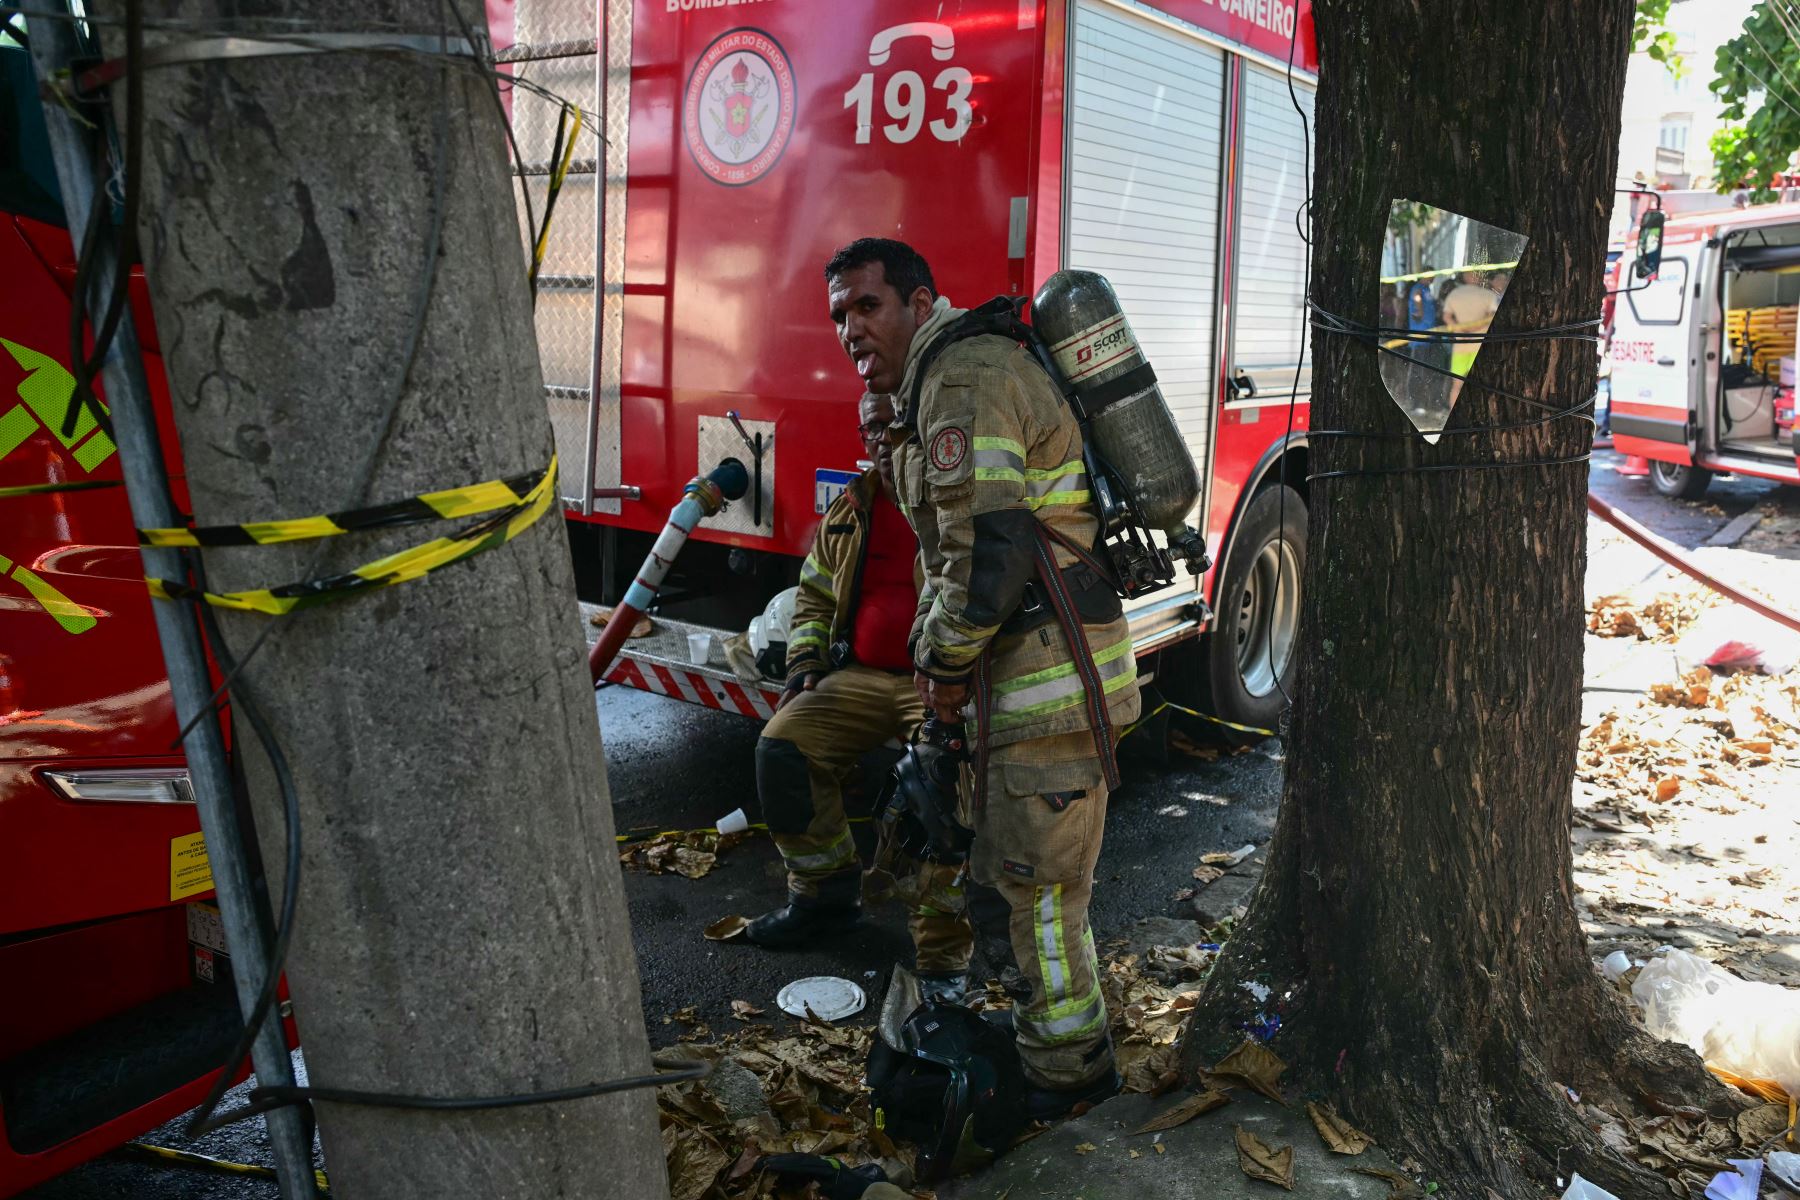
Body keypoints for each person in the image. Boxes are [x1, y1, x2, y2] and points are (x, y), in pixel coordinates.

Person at [822, 237, 1141, 1119]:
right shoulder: (927, 390)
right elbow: (948, 533)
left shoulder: (964, 380)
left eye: (868, 306)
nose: (851, 329)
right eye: (840, 313)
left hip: (1048, 689)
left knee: (1040, 904)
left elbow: (987, 555)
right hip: (1026, 693)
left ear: (921, 302)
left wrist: (939, 663)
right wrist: (891, 443)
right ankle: (1034, 1050)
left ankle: (1072, 1087)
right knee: (1005, 884)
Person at [746, 392, 975, 1001]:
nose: (877, 438)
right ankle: (823, 897)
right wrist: (806, 663)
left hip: (937, 682)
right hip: (863, 676)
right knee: (782, 749)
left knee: (937, 788)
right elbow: (815, 596)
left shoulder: (952, 500)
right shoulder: (853, 508)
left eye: (889, 426)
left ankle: (942, 961)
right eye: (868, 428)